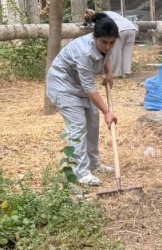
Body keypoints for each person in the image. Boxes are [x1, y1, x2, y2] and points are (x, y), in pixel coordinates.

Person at [46, 14, 119, 186]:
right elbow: (89, 88)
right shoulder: (83, 52)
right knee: (78, 126)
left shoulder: (107, 44)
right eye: (104, 42)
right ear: (94, 38)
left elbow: (106, 57)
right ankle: (81, 172)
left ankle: (94, 164)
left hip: (79, 85)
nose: (108, 46)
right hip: (63, 86)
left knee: (93, 121)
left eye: (112, 43)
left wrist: (109, 73)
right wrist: (108, 112)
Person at [85, 9, 138, 78]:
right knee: (127, 51)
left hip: (119, 30)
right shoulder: (108, 12)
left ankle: (116, 73)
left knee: (116, 51)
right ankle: (127, 72)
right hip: (131, 29)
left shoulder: (100, 18)